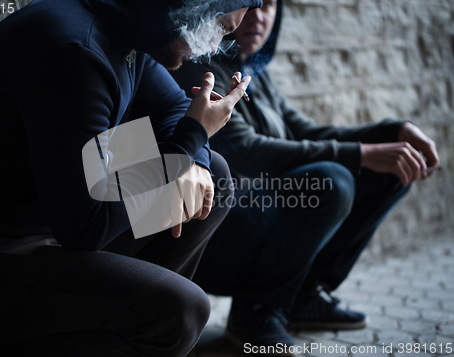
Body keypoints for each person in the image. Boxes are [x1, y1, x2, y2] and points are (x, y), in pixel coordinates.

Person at [0, 0, 262, 356]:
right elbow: (86, 226)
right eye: (222, 28)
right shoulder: (75, 51)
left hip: (45, 221)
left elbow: (176, 108)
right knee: (180, 310)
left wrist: (196, 158)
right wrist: (191, 138)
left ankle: (121, 322)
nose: (214, 48)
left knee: (215, 180)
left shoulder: (128, 29)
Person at [172, 0, 440, 354]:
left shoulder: (254, 72)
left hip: (255, 219)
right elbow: (246, 151)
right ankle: (256, 310)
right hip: (211, 230)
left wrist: (392, 133)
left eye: (269, 7)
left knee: (392, 170)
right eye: (250, 5)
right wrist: (362, 154)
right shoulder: (201, 68)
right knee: (330, 182)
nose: (259, 16)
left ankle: (302, 297)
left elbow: (303, 131)